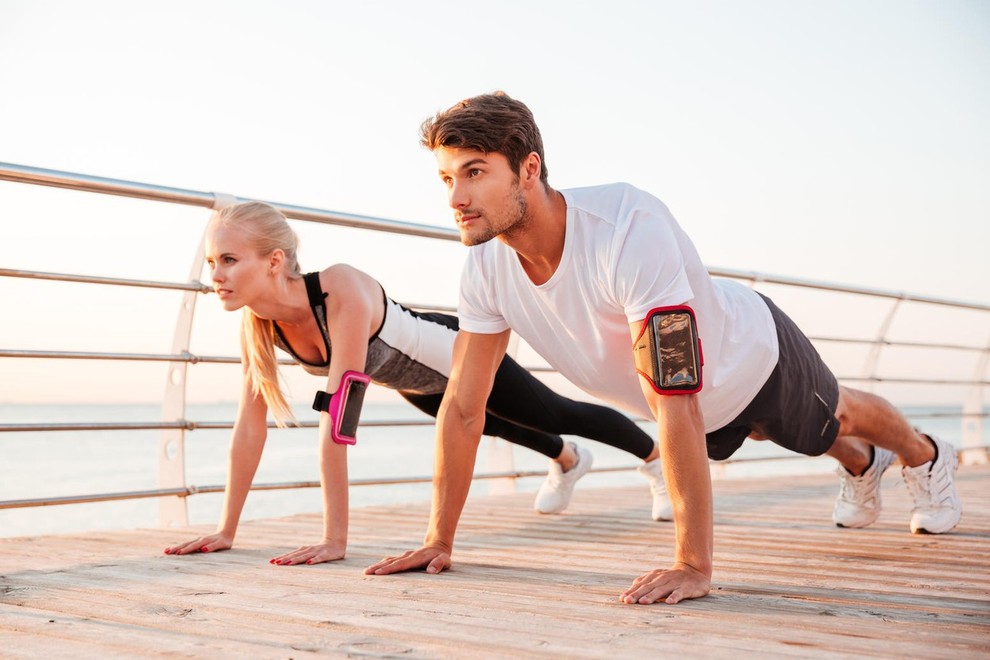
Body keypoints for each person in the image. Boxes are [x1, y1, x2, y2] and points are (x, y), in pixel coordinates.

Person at [364, 92, 962, 604]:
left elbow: (675, 392)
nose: (454, 199)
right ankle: (864, 464)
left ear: (528, 168)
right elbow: (466, 406)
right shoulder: (486, 269)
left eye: (473, 172)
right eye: (446, 179)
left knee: (833, 414)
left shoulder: (626, 227)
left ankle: (924, 454)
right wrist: (438, 540)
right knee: (798, 437)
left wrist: (693, 565)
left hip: (751, 355)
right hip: (701, 413)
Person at [164, 201, 670, 565]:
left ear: (274, 261)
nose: (216, 274)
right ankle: (569, 460)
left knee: (555, 412)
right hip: (415, 384)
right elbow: (249, 431)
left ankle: (655, 462)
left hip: (453, 351)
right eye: (212, 262)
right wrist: (225, 530)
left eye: (229, 259)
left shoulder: (340, 289)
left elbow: (338, 417)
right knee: (497, 428)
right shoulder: (258, 326)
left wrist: (334, 540)